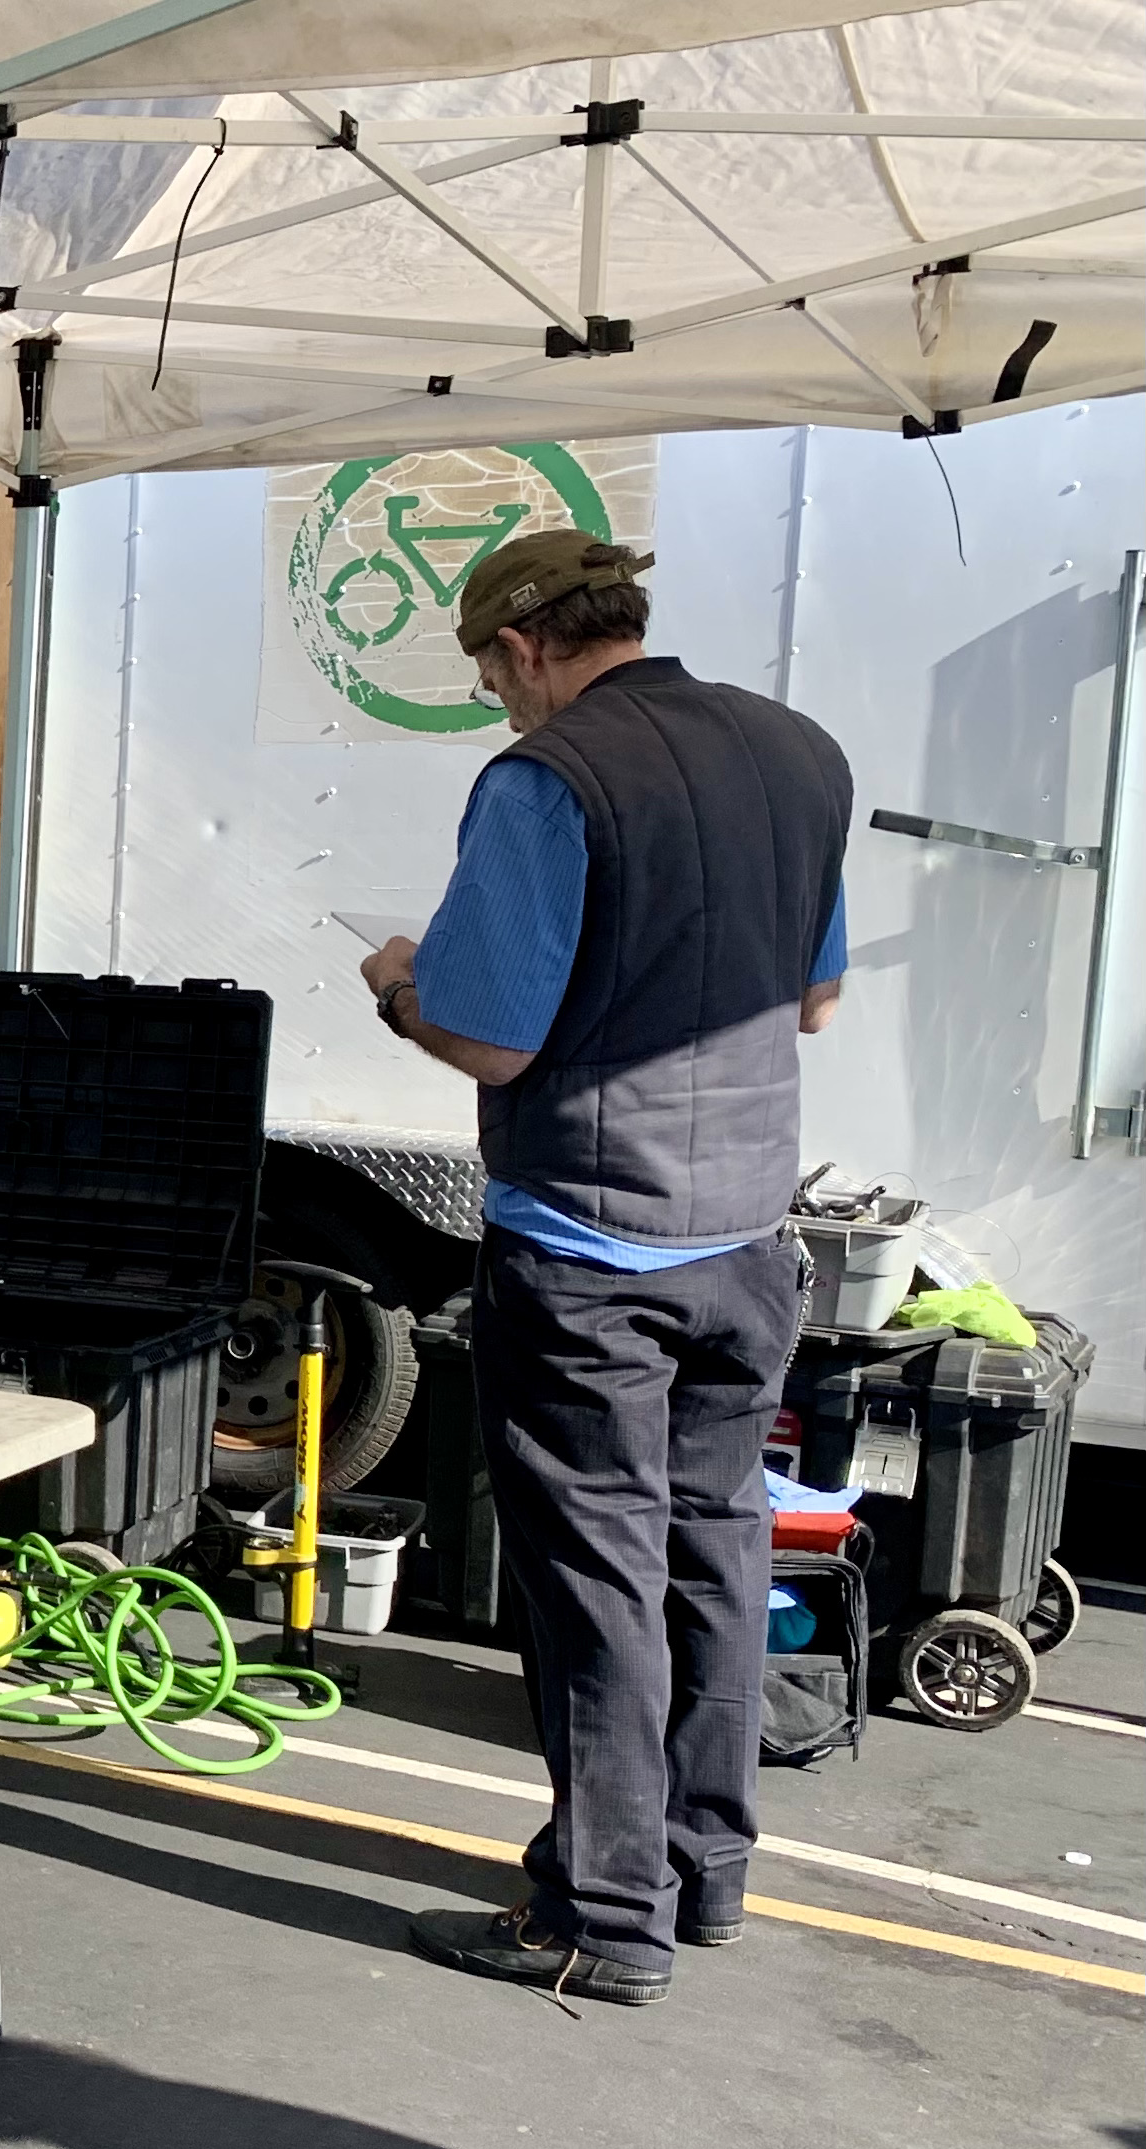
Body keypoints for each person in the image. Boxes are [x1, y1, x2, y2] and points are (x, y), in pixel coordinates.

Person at [361, 529, 849, 2009]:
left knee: (596, 1585)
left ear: (522, 646)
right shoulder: (797, 752)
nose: (498, 704)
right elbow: (816, 1000)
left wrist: (398, 987)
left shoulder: (547, 779)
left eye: (489, 677)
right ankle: (706, 1872)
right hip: (750, 1240)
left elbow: (490, 1038)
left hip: (589, 1247)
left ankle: (602, 1914)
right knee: (715, 1550)